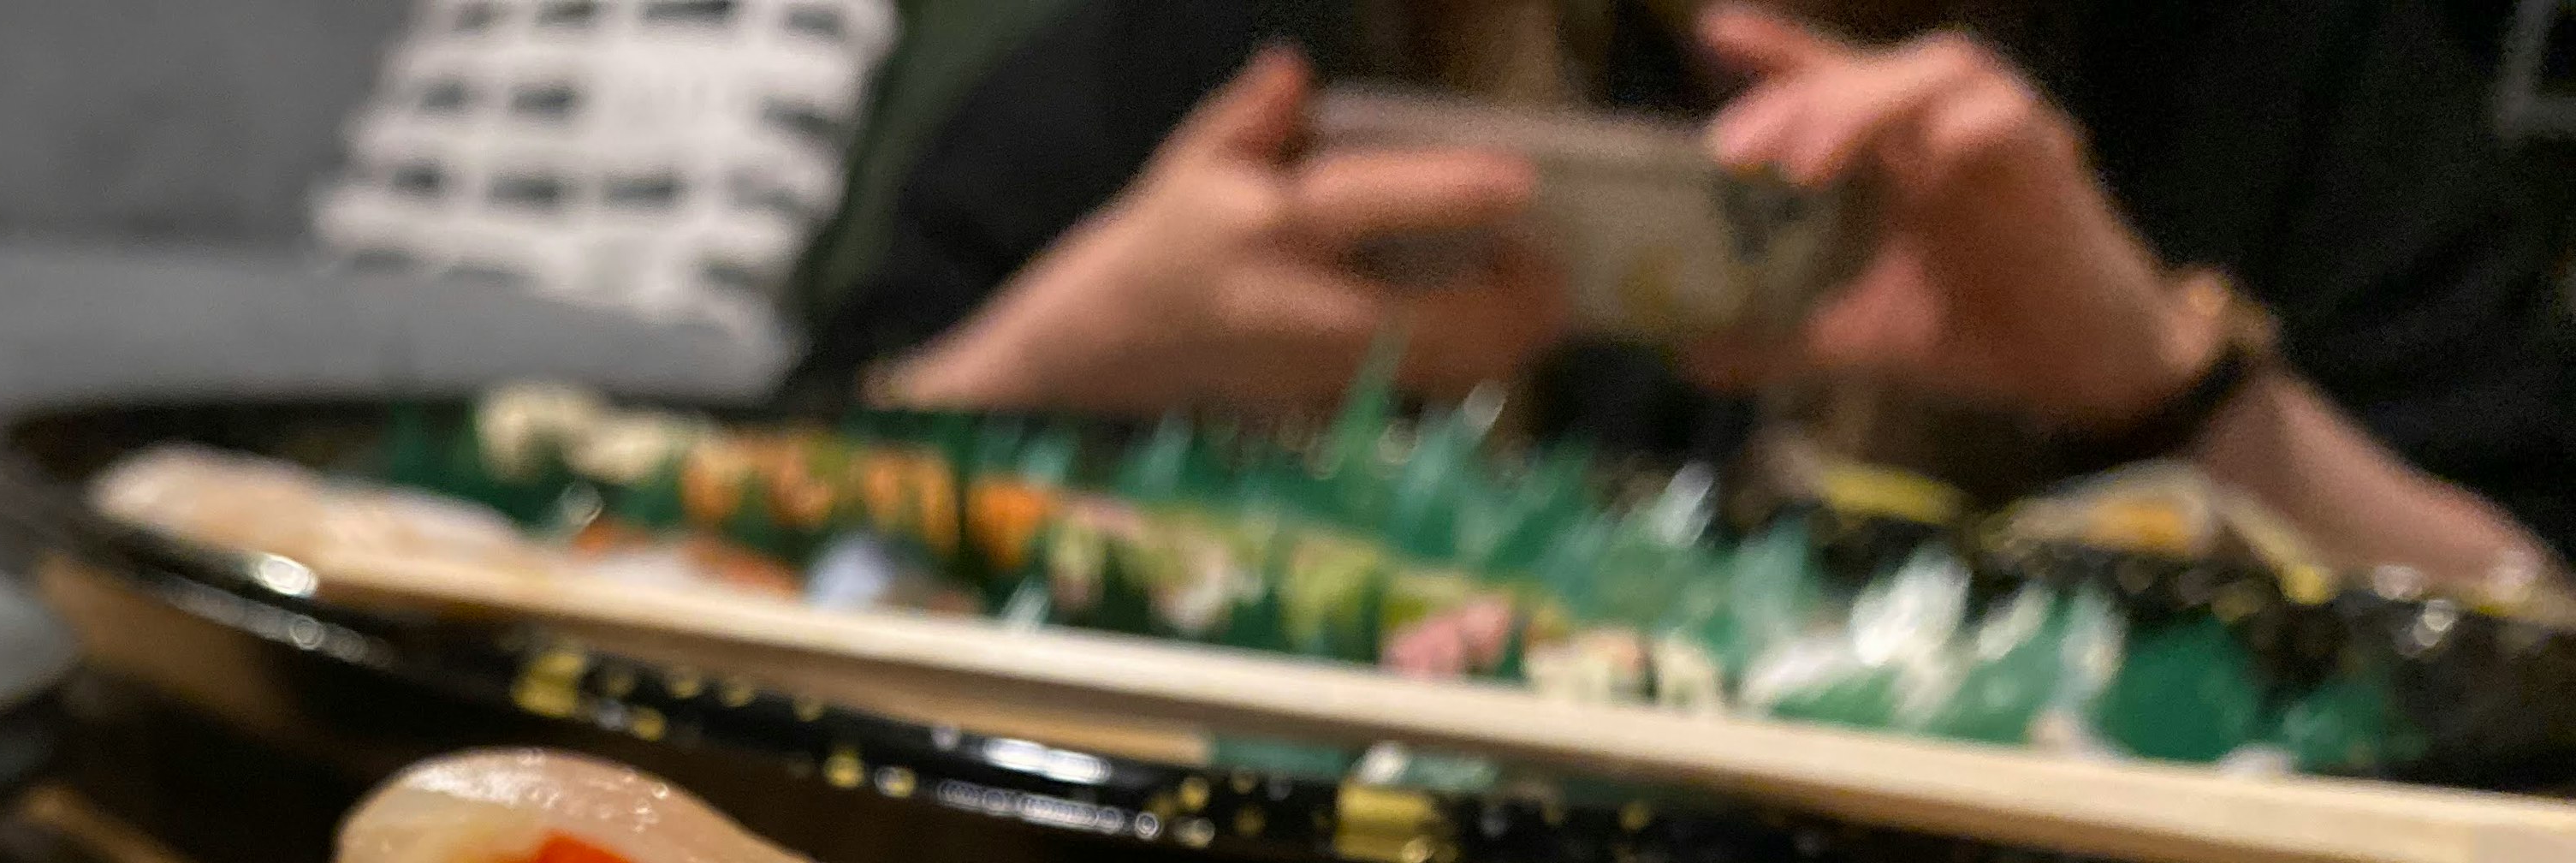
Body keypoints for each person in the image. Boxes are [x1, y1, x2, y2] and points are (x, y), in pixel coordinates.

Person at [804, 0, 2576, 600]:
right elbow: (726, 498)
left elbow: (2533, 632)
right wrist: (1052, 366)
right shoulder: (1230, 38)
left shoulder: (2282, 61)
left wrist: (2160, 384)